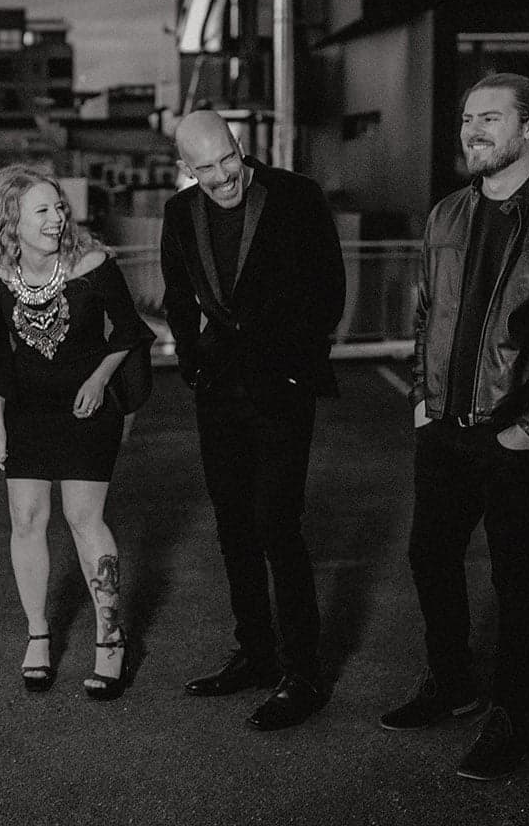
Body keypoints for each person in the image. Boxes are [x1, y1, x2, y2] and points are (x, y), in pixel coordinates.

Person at [381, 72, 529, 781]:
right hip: (444, 427)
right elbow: (426, 315)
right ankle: (452, 684)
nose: (472, 130)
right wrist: (423, 398)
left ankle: (512, 714)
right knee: (430, 555)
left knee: (517, 575)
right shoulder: (446, 214)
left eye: (489, 117)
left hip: (518, 435)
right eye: (466, 118)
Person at [160, 110, 345, 731]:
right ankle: (257, 653)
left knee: (276, 524)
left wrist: (300, 367)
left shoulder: (296, 197)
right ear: (188, 169)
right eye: (205, 169)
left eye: (227, 161)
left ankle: (303, 672)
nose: (221, 178)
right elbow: (177, 297)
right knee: (232, 524)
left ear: (242, 148)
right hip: (218, 393)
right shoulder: (179, 214)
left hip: (282, 390)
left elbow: (329, 291)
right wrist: (191, 362)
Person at [0, 166, 154, 701]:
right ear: (13, 220)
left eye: (59, 208)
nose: (57, 219)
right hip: (27, 410)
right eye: (43, 210)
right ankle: (38, 636)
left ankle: (110, 639)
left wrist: (100, 380)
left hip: (84, 408)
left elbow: (128, 331)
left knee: (83, 518)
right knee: (26, 519)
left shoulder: (92, 265)